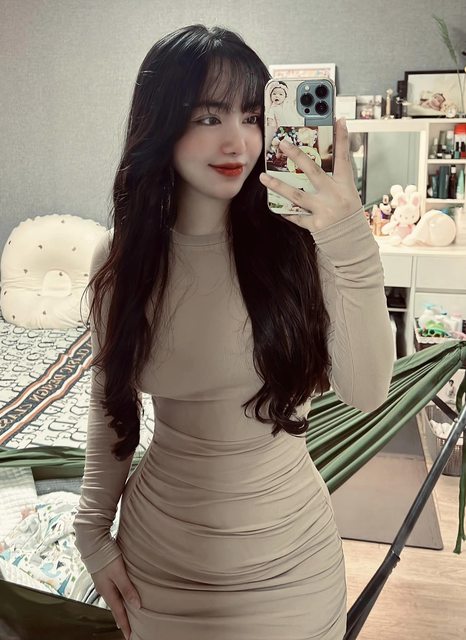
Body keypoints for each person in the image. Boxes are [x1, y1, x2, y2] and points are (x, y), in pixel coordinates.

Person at [73, 23, 394, 640]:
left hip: (292, 564)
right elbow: (109, 399)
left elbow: (368, 391)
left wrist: (349, 238)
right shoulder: (121, 256)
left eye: (252, 117)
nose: (237, 141)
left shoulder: (303, 246)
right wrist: (91, 530)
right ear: (162, 124)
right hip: (157, 563)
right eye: (207, 116)